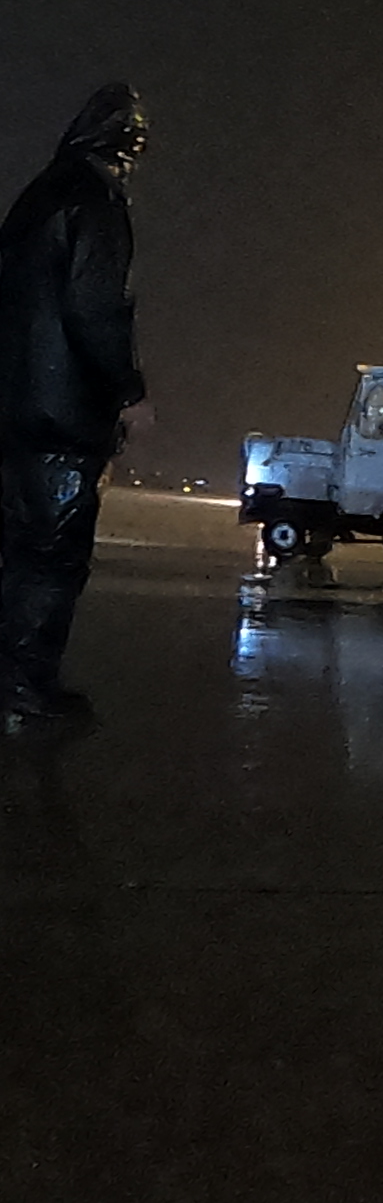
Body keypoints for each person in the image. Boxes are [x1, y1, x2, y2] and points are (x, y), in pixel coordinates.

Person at [0, 85, 150, 727]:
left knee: (19, 549)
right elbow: (96, 308)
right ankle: (26, 688)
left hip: (14, 407)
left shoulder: (38, 197)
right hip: (60, 414)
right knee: (53, 556)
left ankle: (13, 680)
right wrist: (129, 390)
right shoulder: (95, 205)